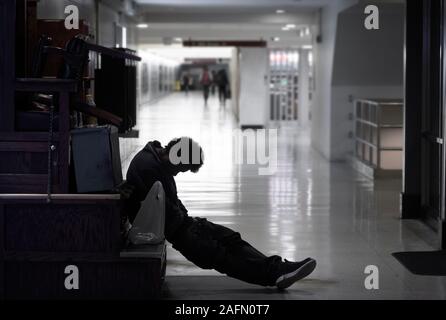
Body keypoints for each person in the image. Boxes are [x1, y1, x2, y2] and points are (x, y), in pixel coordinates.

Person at [124, 137, 317, 289]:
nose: (177, 173)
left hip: (185, 225)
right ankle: (274, 275)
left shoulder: (157, 160)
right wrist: (190, 225)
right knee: (224, 257)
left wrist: (190, 221)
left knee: (231, 238)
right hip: (179, 233)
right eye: (180, 169)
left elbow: (168, 202)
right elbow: (165, 214)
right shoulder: (148, 167)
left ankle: (278, 268)